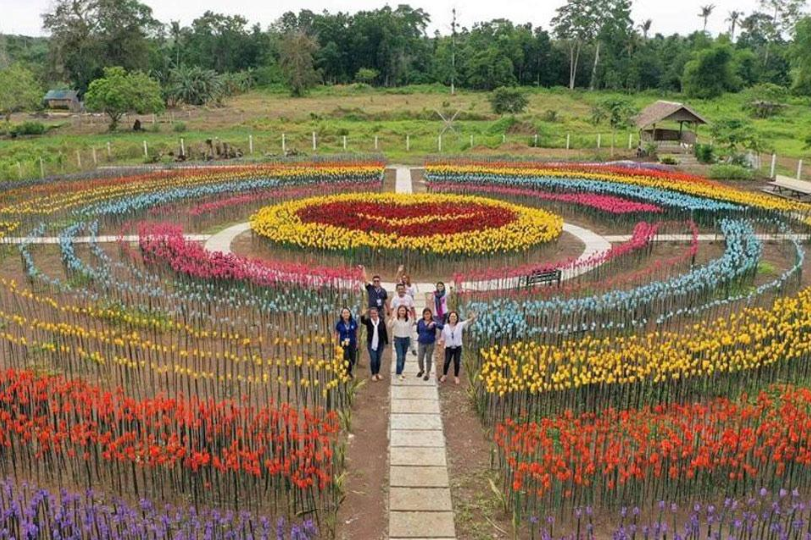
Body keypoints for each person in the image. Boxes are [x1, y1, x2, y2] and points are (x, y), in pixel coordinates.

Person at [438, 310, 476, 385]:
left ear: (457, 318)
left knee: (457, 362)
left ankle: (456, 376)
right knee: (446, 362)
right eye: (451, 316)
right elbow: (442, 337)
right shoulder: (445, 327)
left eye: (454, 316)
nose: (453, 318)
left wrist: (473, 317)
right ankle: (444, 375)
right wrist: (440, 341)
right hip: (448, 347)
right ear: (449, 318)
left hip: (457, 347)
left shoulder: (460, 325)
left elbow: (468, 321)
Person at [360, 307, 388, 381]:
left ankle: (377, 373)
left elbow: (384, 331)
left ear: (377, 313)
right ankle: (373, 374)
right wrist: (363, 315)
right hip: (371, 343)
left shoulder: (381, 321)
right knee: (373, 359)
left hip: (380, 343)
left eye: (375, 313)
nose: (373, 315)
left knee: (378, 359)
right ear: (370, 314)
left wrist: (386, 342)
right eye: (372, 313)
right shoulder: (369, 321)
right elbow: (362, 321)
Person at [388, 305, 415, 380]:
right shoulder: (395, 319)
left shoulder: (408, 319)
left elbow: (410, 329)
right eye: (400, 310)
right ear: (398, 311)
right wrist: (391, 319)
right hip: (398, 339)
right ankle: (398, 373)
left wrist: (411, 342)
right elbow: (389, 326)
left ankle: (401, 370)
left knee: (403, 356)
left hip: (406, 339)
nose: (402, 312)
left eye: (403, 310)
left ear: (406, 312)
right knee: (399, 356)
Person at [416, 308, 443, 381]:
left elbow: (441, 327)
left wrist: (435, 324)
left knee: (428, 358)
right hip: (421, 342)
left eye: (428, 314)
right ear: (423, 315)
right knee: (420, 358)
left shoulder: (433, 322)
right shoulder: (420, 321)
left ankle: (427, 373)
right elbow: (418, 331)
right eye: (425, 314)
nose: (427, 315)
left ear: (431, 314)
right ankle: (421, 370)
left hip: (430, 343)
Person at [390, 282, 417, 356]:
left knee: (410, 333)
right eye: (399, 289)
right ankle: (398, 344)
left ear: (404, 289)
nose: (401, 290)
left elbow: (412, 308)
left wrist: (415, 317)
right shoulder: (394, 299)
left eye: (402, 289)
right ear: (397, 290)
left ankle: (412, 348)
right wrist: (392, 317)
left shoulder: (408, 298)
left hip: (407, 318)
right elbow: (392, 309)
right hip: (398, 319)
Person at [334, 307, 359, 378]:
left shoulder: (353, 322)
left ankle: (348, 371)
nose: (346, 314)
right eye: (344, 313)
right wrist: (335, 345)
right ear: (342, 315)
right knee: (346, 358)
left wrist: (357, 342)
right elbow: (336, 334)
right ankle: (346, 373)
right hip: (343, 345)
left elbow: (356, 332)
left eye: (347, 312)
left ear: (350, 313)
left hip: (352, 343)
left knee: (353, 359)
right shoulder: (339, 324)